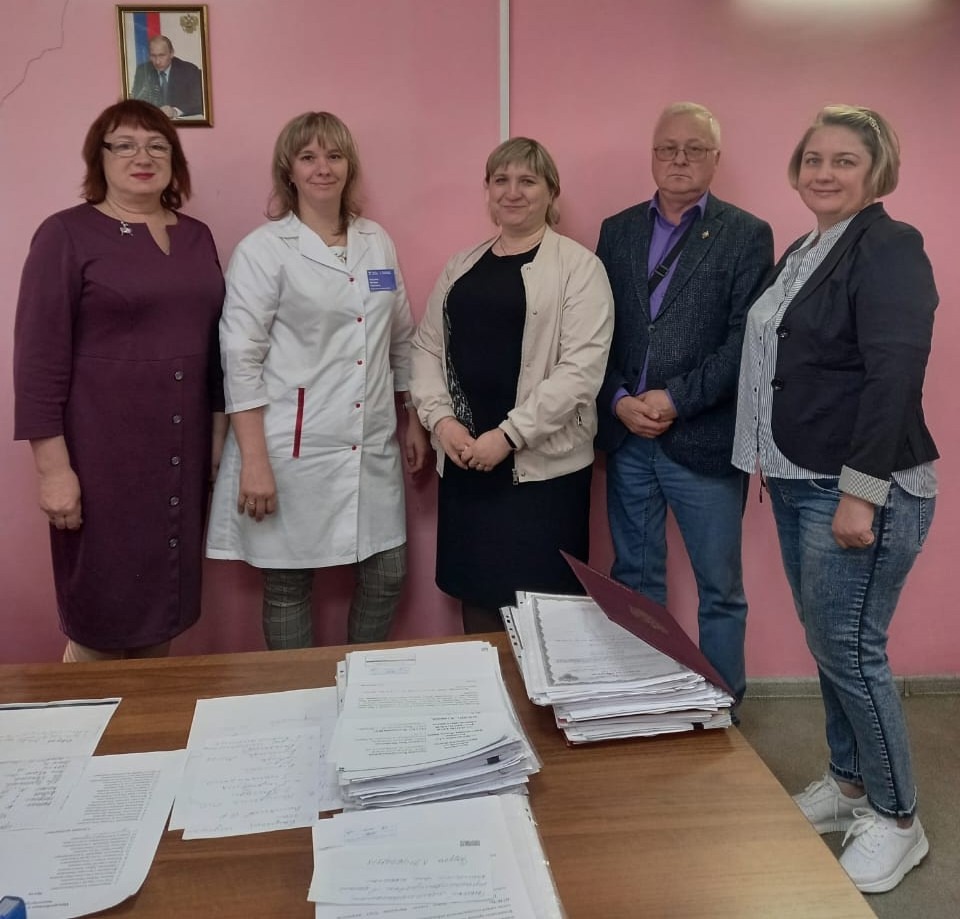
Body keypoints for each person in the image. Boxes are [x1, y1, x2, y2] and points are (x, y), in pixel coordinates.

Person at [732, 105, 937, 893]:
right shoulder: (807, 248)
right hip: (797, 475)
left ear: (876, 172)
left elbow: (894, 375)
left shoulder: (890, 246)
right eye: (813, 158)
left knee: (852, 650)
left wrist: (861, 492)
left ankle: (897, 817)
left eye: (844, 160)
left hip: (854, 486)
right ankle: (850, 783)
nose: (824, 172)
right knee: (829, 645)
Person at [206, 111, 429, 650]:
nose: (322, 168)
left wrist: (414, 418)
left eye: (334, 155)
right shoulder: (264, 250)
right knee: (288, 584)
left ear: (350, 166)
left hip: (370, 442)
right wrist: (253, 461)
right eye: (308, 157)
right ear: (289, 170)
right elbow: (240, 358)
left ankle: (361, 681)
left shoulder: (376, 241)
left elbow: (400, 336)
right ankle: (302, 692)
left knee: (387, 573)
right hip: (289, 448)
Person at [13, 99, 225, 661]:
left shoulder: (197, 237)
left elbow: (217, 347)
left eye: (157, 145)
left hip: (180, 453)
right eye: (124, 145)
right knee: (101, 620)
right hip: (102, 459)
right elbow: (37, 364)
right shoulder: (65, 235)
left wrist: (219, 436)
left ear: (174, 161)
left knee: (163, 612)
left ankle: (146, 720)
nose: (142, 156)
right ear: (99, 157)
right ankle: (89, 715)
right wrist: (53, 471)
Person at [596, 102, 773, 703]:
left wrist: (675, 399)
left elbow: (744, 341)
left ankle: (722, 711)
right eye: (667, 148)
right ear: (652, 156)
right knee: (635, 580)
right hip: (627, 437)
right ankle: (647, 706)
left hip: (702, 438)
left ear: (715, 159)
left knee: (719, 589)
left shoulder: (746, 234)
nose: (679, 159)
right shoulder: (617, 230)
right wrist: (618, 399)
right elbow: (597, 330)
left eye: (693, 149)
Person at [410, 137, 614, 634]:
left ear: (551, 192)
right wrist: (442, 424)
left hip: (542, 473)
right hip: (465, 462)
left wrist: (507, 436)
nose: (513, 191)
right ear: (487, 190)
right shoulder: (461, 266)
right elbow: (427, 348)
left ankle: (537, 692)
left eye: (528, 181)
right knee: (477, 597)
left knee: (544, 611)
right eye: (501, 180)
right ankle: (489, 687)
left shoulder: (580, 268)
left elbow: (580, 372)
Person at [131, 35, 203, 119]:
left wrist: (175, 111)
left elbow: (198, 101)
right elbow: (137, 101)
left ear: (171, 53)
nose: (157, 61)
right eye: (153, 56)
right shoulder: (142, 71)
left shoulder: (189, 70)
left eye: (161, 55)